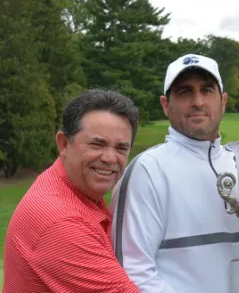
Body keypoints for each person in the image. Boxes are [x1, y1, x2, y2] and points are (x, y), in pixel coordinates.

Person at [110, 53, 239, 293]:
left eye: (207, 90)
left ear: (223, 101)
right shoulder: (148, 170)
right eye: (184, 92)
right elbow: (131, 272)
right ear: (165, 105)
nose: (197, 101)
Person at [3, 89, 141, 292]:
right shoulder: (62, 223)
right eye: (97, 144)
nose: (110, 158)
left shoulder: (66, 189)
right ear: (63, 144)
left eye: (121, 148)